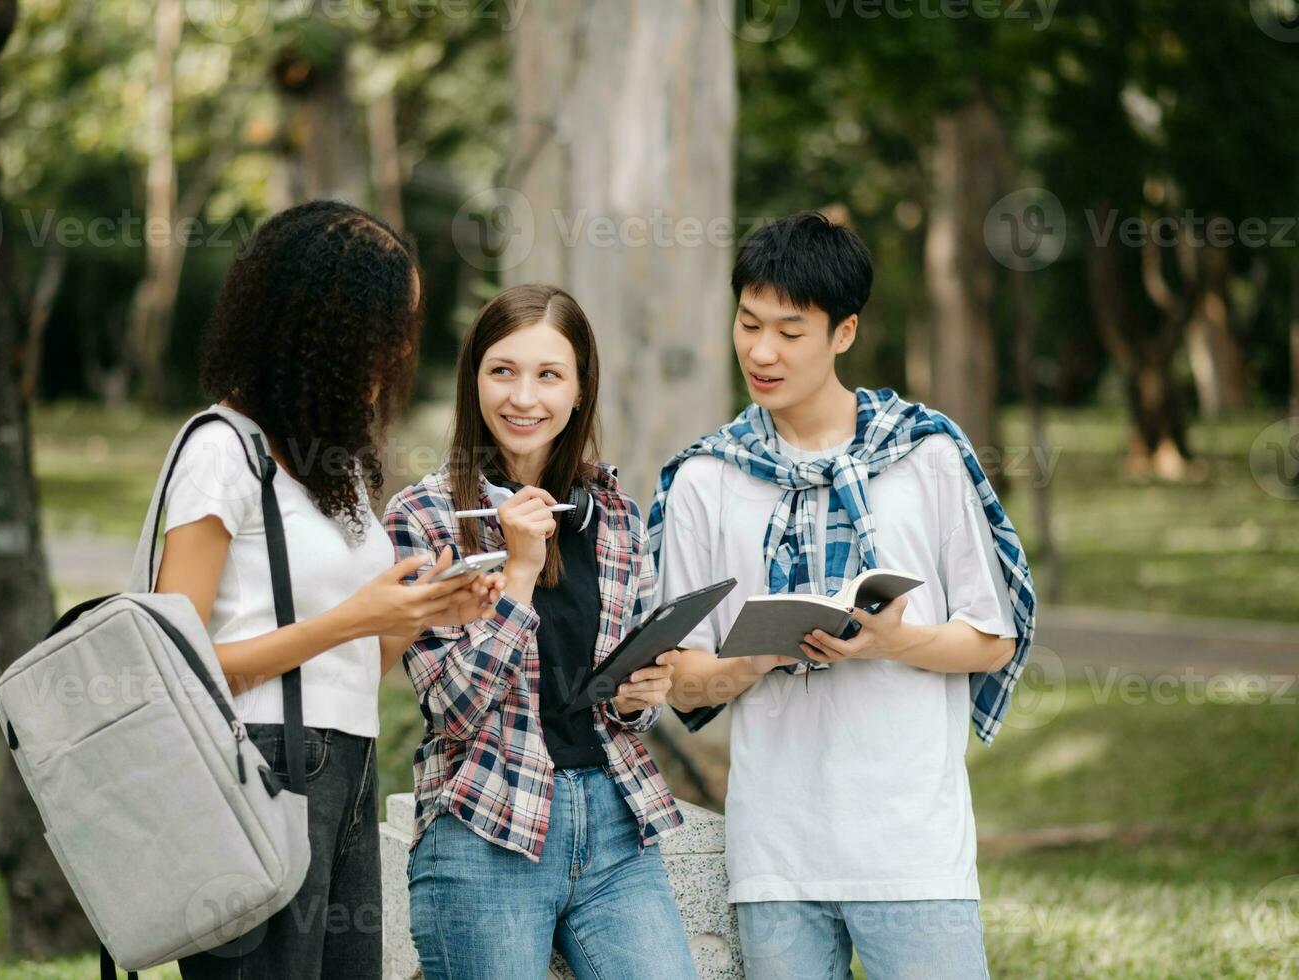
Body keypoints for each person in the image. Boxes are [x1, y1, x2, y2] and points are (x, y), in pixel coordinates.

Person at [652, 211, 1036, 979]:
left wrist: (899, 642)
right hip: (776, 857)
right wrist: (761, 655)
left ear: (845, 333)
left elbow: (994, 638)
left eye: (790, 332)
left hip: (912, 850)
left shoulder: (923, 456)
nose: (761, 351)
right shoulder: (704, 479)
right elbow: (683, 684)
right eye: (749, 322)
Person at [154, 200, 498, 980]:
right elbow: (179, 669)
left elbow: (345, 669)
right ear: (323, 329)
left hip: (345, 769)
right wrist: (351, 617)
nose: (400, 350)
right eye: (388, 328)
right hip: (255, 771)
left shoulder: (330, 467)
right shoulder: (220, 452)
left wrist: (419, 614)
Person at [383, 283, 696, 979]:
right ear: (475, 382)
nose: (524, 398)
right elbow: (452, 709)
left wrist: (642, 692)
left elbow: (620, 701)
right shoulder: (426, 517)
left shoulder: (612, 511)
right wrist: (519, 573)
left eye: (549, 375)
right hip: (485, 828)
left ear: (580, 390)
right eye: (503, 371)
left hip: (615, 825)